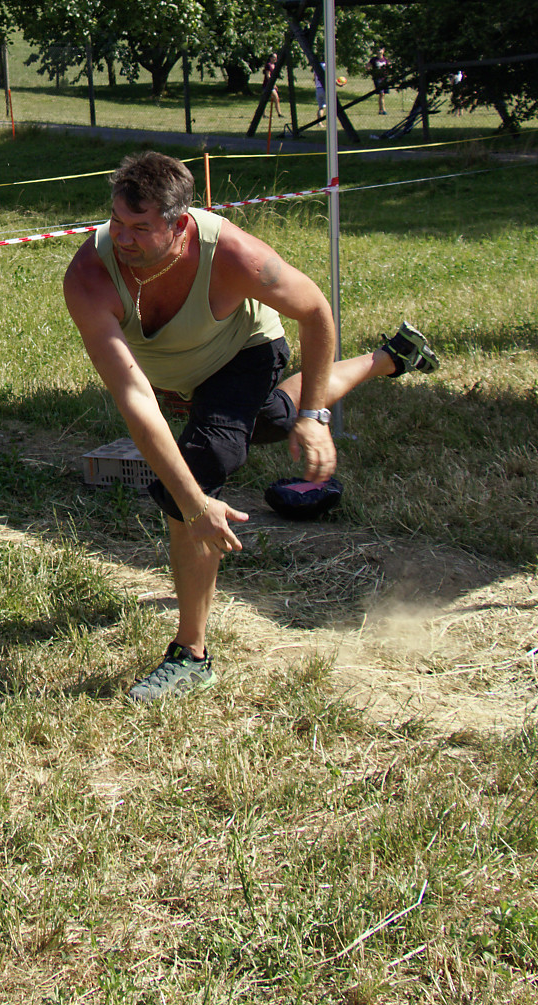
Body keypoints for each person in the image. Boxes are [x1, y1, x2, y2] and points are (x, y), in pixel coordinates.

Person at [64, 151, 439, 701]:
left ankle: (191, 656)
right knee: (271, 419)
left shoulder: (233, 255)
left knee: (201, 466)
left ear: (180, 224)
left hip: (246, 352)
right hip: (178, 378)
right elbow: (135, 399)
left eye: (140, 228)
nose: (122, 237)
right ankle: (389, 358)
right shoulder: (89, 276)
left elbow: (315, 312)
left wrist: (315, 418)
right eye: (117, 221)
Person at [369, 48, 389, 113]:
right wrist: (372, 73)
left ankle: (381, 110)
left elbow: (390, 67)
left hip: (384, 79)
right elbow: (367, 66)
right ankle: (383, 109)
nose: (379, 51)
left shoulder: (385, 59)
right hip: (377, 79)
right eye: (378, 50)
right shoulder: (374, 59)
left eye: (381, 50)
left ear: (383, 50)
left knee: (383, 94)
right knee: (381, 93)